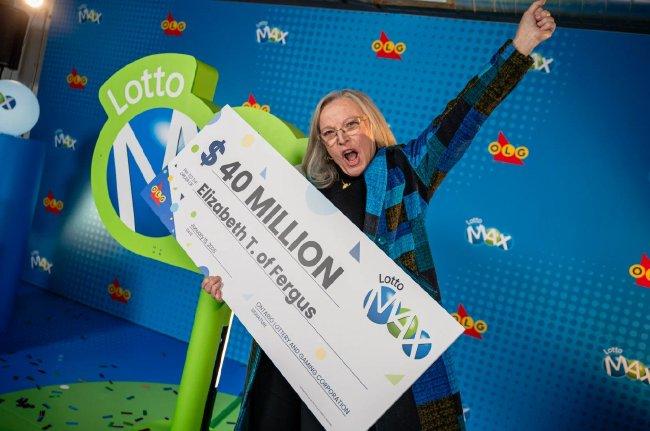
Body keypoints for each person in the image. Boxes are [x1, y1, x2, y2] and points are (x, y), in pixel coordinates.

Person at [202, 1, 556, 429]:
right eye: (329, 133)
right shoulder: (303, 189)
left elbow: (462, 117)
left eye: (350, 125)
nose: (341, 139)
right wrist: (231, 281)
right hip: (312, 358)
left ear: (369, 124)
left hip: (381, 359)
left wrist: (520, 47)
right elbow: (268, 261)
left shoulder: (404, 172)